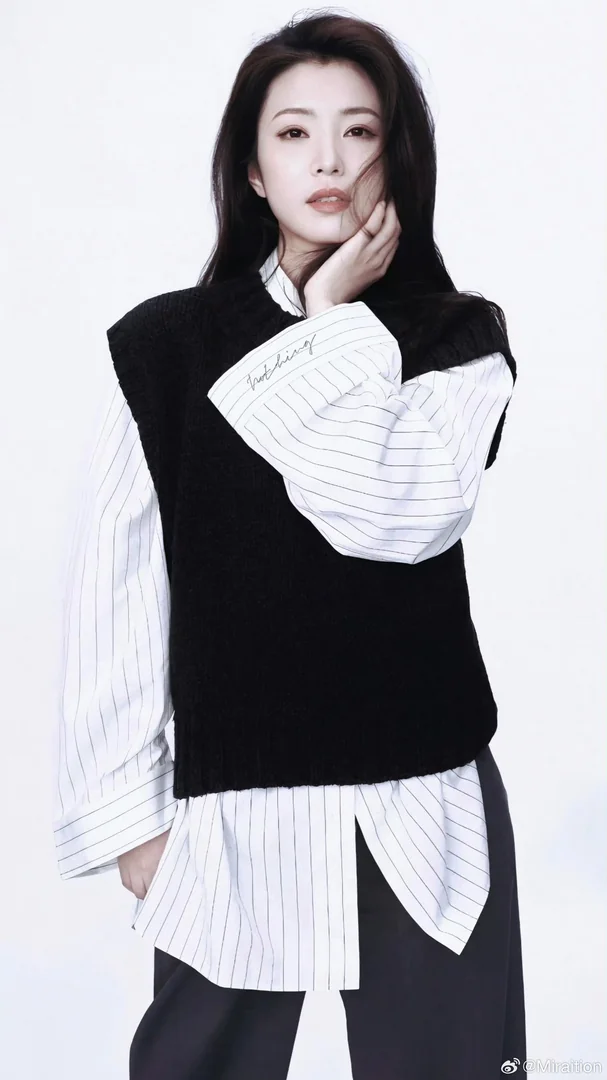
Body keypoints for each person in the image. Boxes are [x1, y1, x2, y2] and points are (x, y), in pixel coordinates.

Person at [53, 10, 526, 1079]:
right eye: (295, 133)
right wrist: (130, 820)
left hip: (422, 802)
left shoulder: (458, 339)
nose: (329, 161)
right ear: (252, 170)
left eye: (359, 132)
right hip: (229, 807)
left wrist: (326, 319)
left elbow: (394, 513)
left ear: (394, 158)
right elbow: (117, 589)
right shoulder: (162, 348)